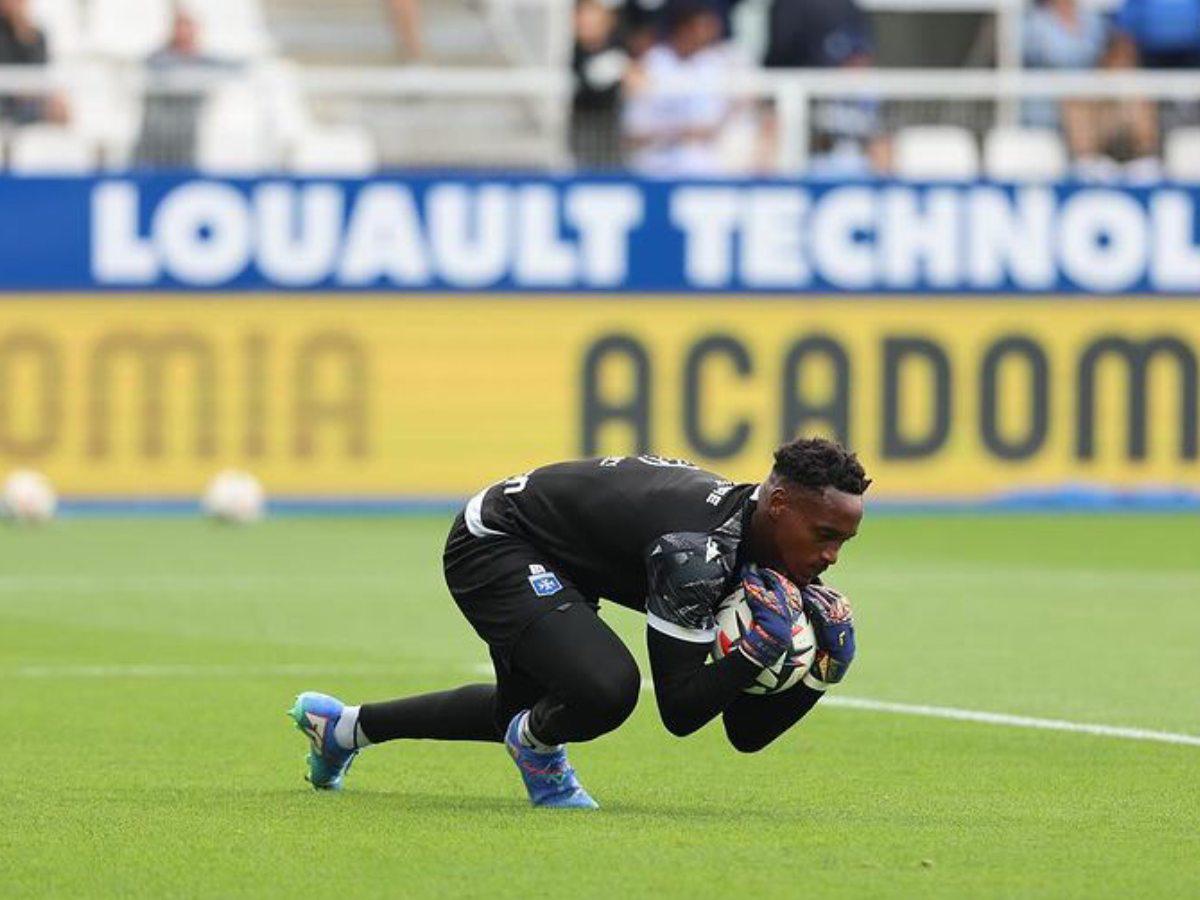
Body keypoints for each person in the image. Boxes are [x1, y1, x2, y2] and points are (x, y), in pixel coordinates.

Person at [289, 437, 867, 809]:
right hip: (497, 540)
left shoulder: (760, 556)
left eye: (844, 541)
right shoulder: (695, 552)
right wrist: (750, 654)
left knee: (525, 711)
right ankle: (539, 753)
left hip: (566, 554)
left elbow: (744, 732)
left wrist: (817, 674)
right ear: (780, 506)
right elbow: (681, 710)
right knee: (605, 688)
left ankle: (340, 729)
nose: (832, 557)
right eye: (825, 536)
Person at [621, 0, 738, 175]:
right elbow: (635, 128)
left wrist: (672, 132)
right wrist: (677, 132)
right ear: (684, 29)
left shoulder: (716, 63)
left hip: (702, 168)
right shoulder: (653, 62)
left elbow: (712, 125)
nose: (709, 34)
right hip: (653, 165)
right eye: (701, 27)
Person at [132, 8, 231, 168]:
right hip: (160, 130)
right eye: (180, 27)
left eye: (188, 27)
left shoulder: (205, 60)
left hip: (189, 129)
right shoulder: (159, 58)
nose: (184, 33)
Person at [570, 0, 629, 169]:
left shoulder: (618, 52)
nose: (587, 22)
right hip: (575, 144)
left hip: (609, 145)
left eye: (595, 17)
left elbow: (641, 84)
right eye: (583, 16)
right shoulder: (566, 56)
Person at [0, 0, 67, 125]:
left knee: (60, 109)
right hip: (5, 100)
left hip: (29, 101)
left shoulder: (36, 34)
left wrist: (22, 30)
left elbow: (41, 72)